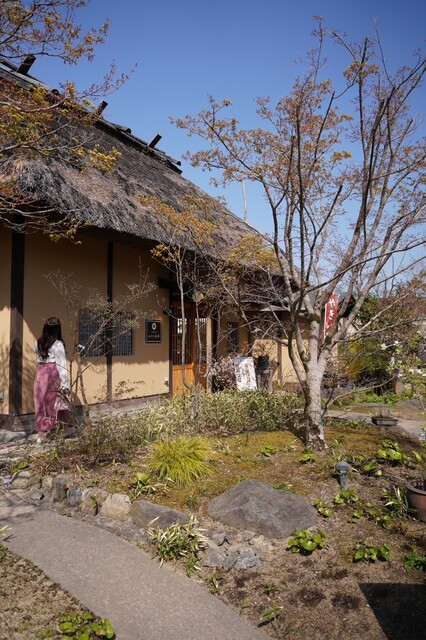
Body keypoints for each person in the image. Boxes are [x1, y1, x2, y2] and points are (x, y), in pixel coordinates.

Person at [34, 316, 70, 444]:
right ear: (58, 329)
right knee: (57, 401)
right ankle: (63, 428)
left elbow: (38, 359)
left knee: (40, 402)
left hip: (40, 373)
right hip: (52, 373)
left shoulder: (38, 342)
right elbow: (61, 364)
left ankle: (41, 433)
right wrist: (65, 383)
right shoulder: (58, 344)